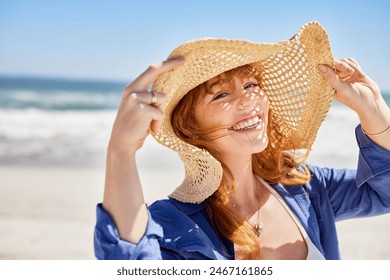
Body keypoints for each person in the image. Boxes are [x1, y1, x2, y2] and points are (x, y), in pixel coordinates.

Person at [94, 22, 390, 260]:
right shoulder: (173, 223)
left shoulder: (304, 186)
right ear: (189, 127)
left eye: (251, 84)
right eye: (221, 94)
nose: (248, 100)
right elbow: (128, 260)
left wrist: (374, 111)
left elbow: (383, 194)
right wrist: (121, 151)